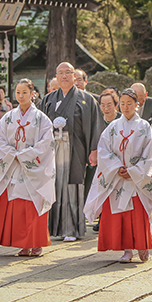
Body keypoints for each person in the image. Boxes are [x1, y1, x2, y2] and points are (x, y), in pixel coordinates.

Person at [84, 88, 152, 263]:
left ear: (136, 105)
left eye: (130, 103)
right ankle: (126, 250)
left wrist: (132, 171)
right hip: (117, 177)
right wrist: (117, 167)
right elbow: (104, 150)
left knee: (137, 213)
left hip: (136, 178)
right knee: (122, 214)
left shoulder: (144, 127)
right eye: (123, 104)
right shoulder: (113, 127)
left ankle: (142, 244)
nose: (126, 107)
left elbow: (149, 155)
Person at [0, 78, 56, 257]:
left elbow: (46, 143)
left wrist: (24, 155)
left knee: (33, 204)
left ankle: (36, 244)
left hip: (33, 168)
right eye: (18, 92)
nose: (21, 96)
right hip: (14, 166)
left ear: (33, 94)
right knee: (17, 206)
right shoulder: (9, 117)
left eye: (25, 92)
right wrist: (12, 154)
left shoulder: (42, 119)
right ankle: (23, 244)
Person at [40, 62, 103, 242]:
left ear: (75, 76)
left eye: (68, 73)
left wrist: (93, 150)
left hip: (75, 148)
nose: (65, 76)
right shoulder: (48, 99)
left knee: (73, 186)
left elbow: (95, 124)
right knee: (54, 185)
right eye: (61, 73)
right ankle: (55, 228)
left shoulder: (87, 99)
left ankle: (72, 229)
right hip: (52, 149)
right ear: (57, 77)